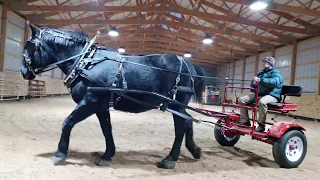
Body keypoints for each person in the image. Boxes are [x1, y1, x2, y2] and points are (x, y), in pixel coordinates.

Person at [238, 57, 283, 132]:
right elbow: (253, 86)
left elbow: (274, 82)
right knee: (241, 100)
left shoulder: (276, 73)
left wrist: (260, 80)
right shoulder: (260, 73)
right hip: (259, 94)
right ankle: (245, 121)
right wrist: (254, 83)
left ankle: (261, 125)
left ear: (270, 63)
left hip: (272, 95)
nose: (264, 63)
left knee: (262, 102)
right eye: (264, 61)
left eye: (266, 62)